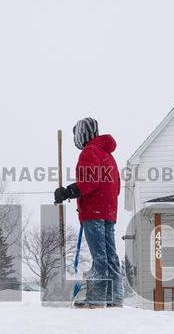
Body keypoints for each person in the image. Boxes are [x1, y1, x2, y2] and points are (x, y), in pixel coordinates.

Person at [53, 117, 124, 308]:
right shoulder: (107, 155)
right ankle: (115, 297)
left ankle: (97, 298)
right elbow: (116, 186)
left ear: (81, 135)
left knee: (99, 256)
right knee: (111, 255)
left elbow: (89, 182)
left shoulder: (89, 152)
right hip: (109, 211)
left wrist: (68, 192)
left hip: (94, 212)